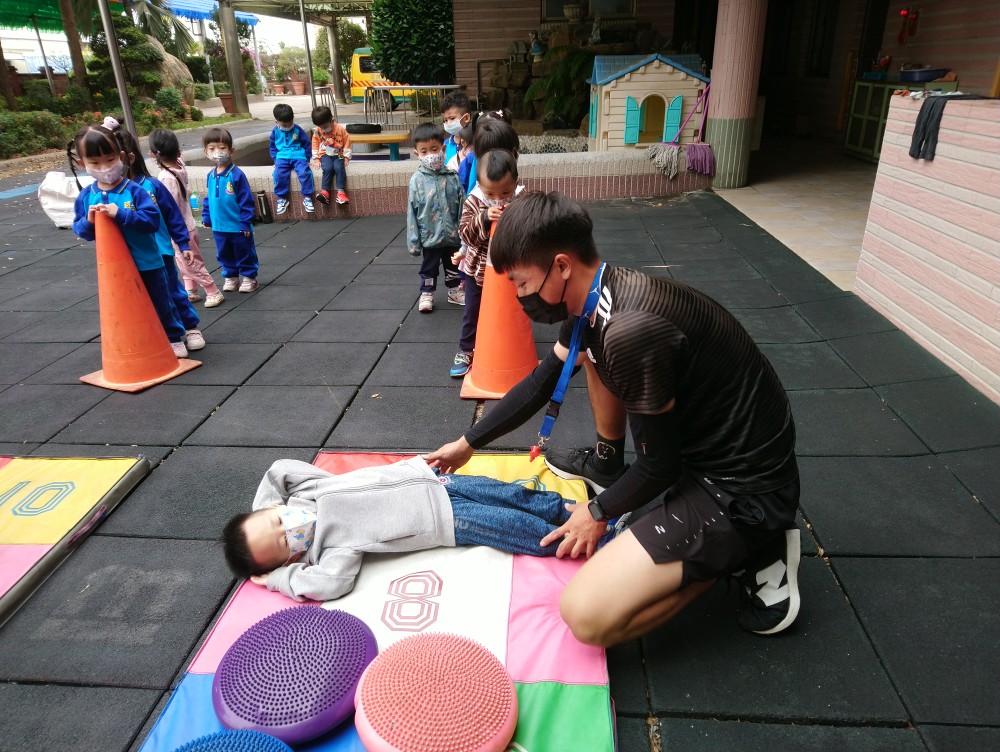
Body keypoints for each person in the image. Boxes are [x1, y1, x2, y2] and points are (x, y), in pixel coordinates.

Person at [426, 191, 802, 647]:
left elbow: (658, 466)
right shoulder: (597, 295)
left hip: (743, 488)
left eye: (522, 283)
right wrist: (467, 443)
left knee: (585, 616)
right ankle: (612, 467)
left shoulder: (629, 332)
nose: (520, 296)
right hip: (708, 449)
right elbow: (543, 381)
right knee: (588, 355)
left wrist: (598, 512)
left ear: (561, 265)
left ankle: (747, 550)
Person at [221, 457, 580, 602]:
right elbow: (332, 584)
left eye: (275, 520)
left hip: (439, 481)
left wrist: (266, 509)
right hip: (448, 519)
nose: (286, 527)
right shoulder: (330, 548)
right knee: (519, 528)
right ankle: (589, 539)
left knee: (515, 495)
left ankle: (578, 513)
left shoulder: (306, 491)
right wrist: (279, 579)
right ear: (290, 557)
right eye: (283, 541)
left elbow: (278, 469)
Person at [68, 121, 187, 357]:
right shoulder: (87, 196)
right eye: (95, 163)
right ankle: (140, 341)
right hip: (114, 269)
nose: (104, 167)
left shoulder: (134, 190)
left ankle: (173, 337)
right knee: (125, 305)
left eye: (110, 159)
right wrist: (89, 221)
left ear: (121, 157)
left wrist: (121, 214)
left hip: (147, 262)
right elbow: (81, 230)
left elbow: (151, 221)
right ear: (83, 164)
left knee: (160, 300)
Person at [113, 122, 206, 356]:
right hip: (130, 256)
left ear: (129, 158)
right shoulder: (107, 194)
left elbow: (172, 216)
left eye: (111, 160)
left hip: (160, 250)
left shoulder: (151, 185)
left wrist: (182, 243)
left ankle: (190, 328)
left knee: (172, 290)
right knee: (143, 297)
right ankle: (162, 334)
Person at [450, 148, 524, 379]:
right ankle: (466, 349)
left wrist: (516, 217)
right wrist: (483, 218)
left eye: (505, 192)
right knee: (472, 312)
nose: (498, 198)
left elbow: (531, 229)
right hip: (478, 272)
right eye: (490, 193)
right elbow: (465, 233)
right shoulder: (474, 201)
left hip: (512, 273)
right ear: (480, 185)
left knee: (512, 311)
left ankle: (512, 347)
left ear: (516, 183)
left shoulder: (521, 199)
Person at [148, 128, 225, 308]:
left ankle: (212, 290)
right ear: (178, 152)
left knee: (189, 262)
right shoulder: (179, 166)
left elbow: (169, 207)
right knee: (184, 260)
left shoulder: (165, 177)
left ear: (153, 154)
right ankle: (191, 289)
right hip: (188, 224)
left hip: (180, 228)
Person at [407, 122, 464, 314]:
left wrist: (464, 232)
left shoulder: (452, 177)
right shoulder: (417, 180)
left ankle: (454, 290)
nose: (430, 155)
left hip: (452, 235)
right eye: (424, 151)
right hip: (430, 236)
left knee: (453, 264)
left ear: (443, 149)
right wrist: (414, 242)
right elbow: (412, 212)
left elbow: (462, 206)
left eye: (434, 149)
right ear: (417, 153)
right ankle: (427, 293)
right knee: (429, 267)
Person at [202, 128, 260, 293]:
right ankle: (231, 276)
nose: (217, 152)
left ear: (231, 151)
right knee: (224, 252)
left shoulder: (236, 175)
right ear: (206, 152)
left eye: (222, 148)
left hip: (237, 226)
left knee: (244, 251)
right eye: (212, 148)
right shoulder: (211, 175)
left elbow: (246, 200)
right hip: (219, 226)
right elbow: (208, 198)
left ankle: (249, 277)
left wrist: (245, 221)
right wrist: (206, 216)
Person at [269, 103, 315, 215]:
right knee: (279, 174)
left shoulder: (297, 129)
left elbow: (306, 144)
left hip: (298, 156)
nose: (288, 125)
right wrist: (275, 159)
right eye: (285, 124)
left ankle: (307, 197)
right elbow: (273, 147)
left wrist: (307, 158)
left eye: (290, 122)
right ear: (277, 121)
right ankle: (281, 198)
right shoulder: (275, 132)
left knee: (304, 173)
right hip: (282, 157)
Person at [310, 105, 351, 206]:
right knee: (327, 168)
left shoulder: (340, 129)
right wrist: (316, 159)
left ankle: (341, 193)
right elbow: (315, 144)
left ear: (332, 121)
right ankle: (325, 192)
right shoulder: (317, 131)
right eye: (320, 127)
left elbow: (347, 142)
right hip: (324, 154)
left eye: (324, 127)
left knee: (339, 168)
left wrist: (346, 157)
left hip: (339, 154)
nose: (323, 129)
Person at [440, 91, 473, 167]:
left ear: (466, 118)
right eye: (445, 120)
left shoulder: (477, 144)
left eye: (452, 118)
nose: (448, 123)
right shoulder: (445, 145)